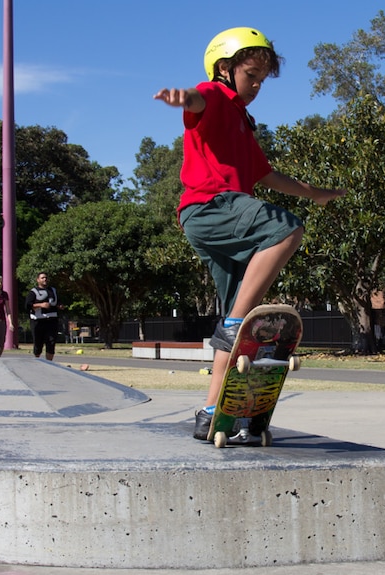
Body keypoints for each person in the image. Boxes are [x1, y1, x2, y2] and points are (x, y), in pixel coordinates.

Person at [154, 27, 346, 439]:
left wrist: (315, 194)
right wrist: (181, 98)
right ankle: (237, 318)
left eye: (262, 79)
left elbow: (267, 175)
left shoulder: (243, 122)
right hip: (211, 206)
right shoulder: (216, 96)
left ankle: (210, 410)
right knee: (285, 229)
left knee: (233, 331)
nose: (256, 86)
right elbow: (196, 99)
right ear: (226, 69)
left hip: (218, 220)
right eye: (251, 75)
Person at [25, 272, 61, 361]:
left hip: (52, 320)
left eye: (46, 278)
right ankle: (37, 360)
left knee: (51, 342)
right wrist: (40, 305)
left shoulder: (53, 290)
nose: (45, 279)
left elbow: (58, 302)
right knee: (38, 343)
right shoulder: (33, 292)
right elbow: (27, 305)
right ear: (38, 280)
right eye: (42, 278)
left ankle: (49, 363)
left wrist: (60, 306)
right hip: (38, 320)